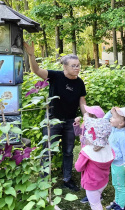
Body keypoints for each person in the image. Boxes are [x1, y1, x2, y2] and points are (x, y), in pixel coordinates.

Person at [24, 42, 86, 191]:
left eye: (78, 65)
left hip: (71, 122)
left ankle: (67, 179)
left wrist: (87, 118)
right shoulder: (55, 76)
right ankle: (44, 180)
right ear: (64, 67)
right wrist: (31, 55)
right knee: (48, 150)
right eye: (74, 65)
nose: (77, 68)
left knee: (69, 151)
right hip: (53, 120)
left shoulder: (79, 82)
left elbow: (82, 102)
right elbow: (37, 70)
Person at [74, 111, 114, 210]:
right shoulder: (108, 148)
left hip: (91, 184)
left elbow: (78, 168)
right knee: (96, 200)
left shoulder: (86, 152)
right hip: (103, 181)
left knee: (95, 205)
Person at [104, 107, 125, 210]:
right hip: (114, 163)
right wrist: (111, 112)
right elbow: (104, 120)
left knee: (119, 186)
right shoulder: (114, 128)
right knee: (115, 184)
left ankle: (120, 206)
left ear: (121, 123)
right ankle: (116, 202)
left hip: (119, 164)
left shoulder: (122, 137)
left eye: (113, 117)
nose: (110, 118)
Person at [73, 105, 105, 203]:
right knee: (86, 173)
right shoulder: (85, 124)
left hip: (91, 154)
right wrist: (77, 124)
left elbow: (88, 140)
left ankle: (95, 194)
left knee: (92, 174)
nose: (84, 113)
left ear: (92, 117)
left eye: (87, 113)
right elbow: (78, 133)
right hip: (85, 152)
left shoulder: (96, 129)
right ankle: (91, 192)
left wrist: (83, 139)